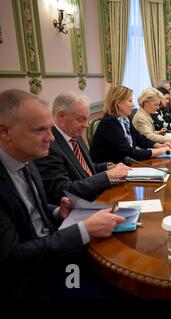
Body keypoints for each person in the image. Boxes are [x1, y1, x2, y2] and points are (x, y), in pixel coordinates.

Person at [0, 89, 125, 298]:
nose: (50, 138)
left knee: (121, 258)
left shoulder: (26, 161)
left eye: (49, 129)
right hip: (33, 277)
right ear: (4, 132)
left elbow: (30, 211)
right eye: (40, 130)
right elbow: (13, 257)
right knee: (117, 285)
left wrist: (57, 211)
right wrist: (84, 230)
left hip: (54, 248)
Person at [33, 92, 131, 204]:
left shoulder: (74, 135)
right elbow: (63, 190)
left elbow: (84, 169)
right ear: (61, 116)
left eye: (86, 119)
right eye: (80, 119)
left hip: (97, 196)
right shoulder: (49, 146)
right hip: (80, 206)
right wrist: (107, 176)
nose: (86, 125)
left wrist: (108, 167)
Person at [90, 86, 171, 164]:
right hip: (111, 169)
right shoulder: (110, 123)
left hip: (124, 164)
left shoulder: (124, 119)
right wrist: (161, 150)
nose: (133, 104)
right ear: (118, 103)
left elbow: (139, 139)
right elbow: (129, 153)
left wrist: (159, 145)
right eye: (130, 101)